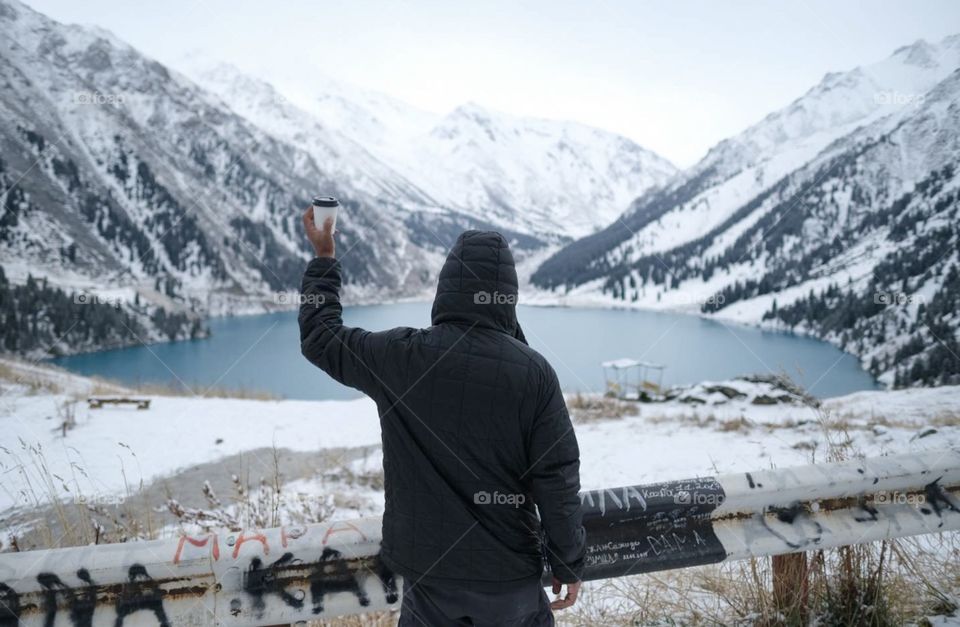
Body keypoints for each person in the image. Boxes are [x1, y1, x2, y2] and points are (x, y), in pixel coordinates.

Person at [299, 208, 585, 626]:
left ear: (444, 287)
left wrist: (324, 257)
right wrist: (568, 560)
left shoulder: (400, 356)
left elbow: (320, 337)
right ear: (508, 295)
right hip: (509, 581)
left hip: (429, 578)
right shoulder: (534, 373)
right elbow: (556, 479)